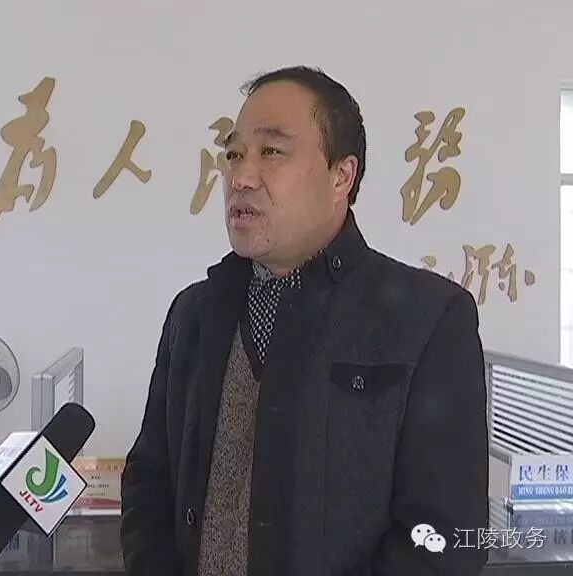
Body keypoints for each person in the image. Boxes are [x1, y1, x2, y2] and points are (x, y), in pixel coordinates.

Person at [120, 65, 489, 576]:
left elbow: (445, 538)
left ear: (342, 176)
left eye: (271, 152)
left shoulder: (429, 318)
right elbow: (149, 479)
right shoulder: (194, 314)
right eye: (234, 154)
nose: (241, 178)